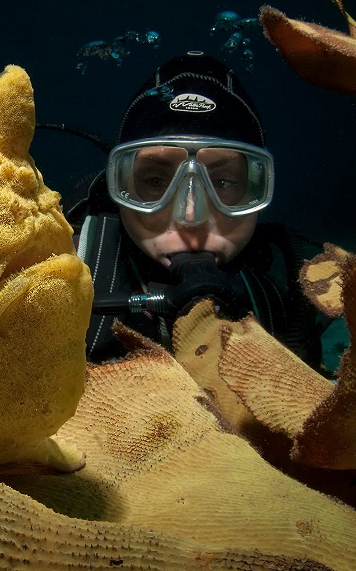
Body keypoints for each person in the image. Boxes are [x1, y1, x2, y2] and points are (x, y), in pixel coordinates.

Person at [66, 52, 329, 370]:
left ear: (256, 187)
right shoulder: (61, 274)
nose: (190, 218)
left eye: (220, 182)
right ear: (118, 185)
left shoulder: (284, 304)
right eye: (155, 180)